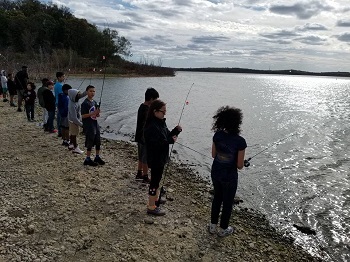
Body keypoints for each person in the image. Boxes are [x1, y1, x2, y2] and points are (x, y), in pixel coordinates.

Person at [208, 106, 247, 237]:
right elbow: (240, 165)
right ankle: (223, 228)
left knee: (217, 198)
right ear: (237, 122)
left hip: (216, 172)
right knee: (228, 202)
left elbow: (214, 155)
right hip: (229, 177)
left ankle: (212, 226)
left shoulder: (217, 135)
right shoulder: (240, 142)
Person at [144, 100, 182, 216]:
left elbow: (167, 135)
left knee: (158, 179)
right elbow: (156, 144)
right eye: (163, 111)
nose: (164, 113)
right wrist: (170, 141)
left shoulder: (161, 122)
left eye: (165, 111)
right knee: (154, 181)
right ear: (155, 111)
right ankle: (151, 206)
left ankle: (156, 199)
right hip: (155, 158)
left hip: (161, 158)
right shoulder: (151, 126)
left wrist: (176, 131)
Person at [135, 87, 159, 183]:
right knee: (145, 158)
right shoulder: (146, 110)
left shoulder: (142, 106)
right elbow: (148, 124)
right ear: (151, 99)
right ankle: (145, 176)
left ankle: (139, 173)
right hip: (144, 137)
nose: (156, 102)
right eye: (155, 100)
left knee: (141, 156)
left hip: (139, 136)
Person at [81, 85, 105, 166]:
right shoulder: (85, 103)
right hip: (88, 124)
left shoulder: (94, 102)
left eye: (94, 91)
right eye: (91, 91)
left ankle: (97, 157)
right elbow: (83, 115)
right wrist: (93, 113)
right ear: (87, 92)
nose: (92, 93)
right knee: (90, 141)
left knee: (98, 140)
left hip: (95, 123)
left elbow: (95, 115)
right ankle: (87, 159)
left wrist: (97, 114)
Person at [68, 88, 86, 154]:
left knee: (73, 133)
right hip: (73, 121)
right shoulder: (71, 105)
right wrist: (82, 125)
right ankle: (76, 148)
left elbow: (81, 95)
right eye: (77, 95)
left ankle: (71, 144)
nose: (79, 95)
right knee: (74, 134)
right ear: (74, 96)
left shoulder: (75, 99)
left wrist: (86, 91)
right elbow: (74, 118)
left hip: (73, 120)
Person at [54, 72, 65, 137]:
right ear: (59, 77)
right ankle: (60, 132)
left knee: (59, 117)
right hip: (60, 103)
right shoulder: (60, 85)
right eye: (63, 76)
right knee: (61, 118)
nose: (64, 78)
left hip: (58, 102)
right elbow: (62, 95)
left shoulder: (56, 84)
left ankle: (59, 131)